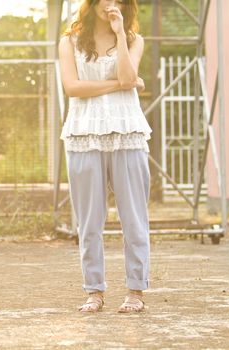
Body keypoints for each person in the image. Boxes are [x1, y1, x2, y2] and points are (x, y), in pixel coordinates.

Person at [58, 0, 152, 313]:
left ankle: (135, 292)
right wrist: (122, 84)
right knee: (89, 222)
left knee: (134, 219)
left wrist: (120, 36)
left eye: (119, 0)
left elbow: (129, 77)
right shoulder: (69, 41)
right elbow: (72, 87)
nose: (110, 4)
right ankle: (94, 292)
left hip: (128, 134)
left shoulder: (134, 40)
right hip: (83, 135)